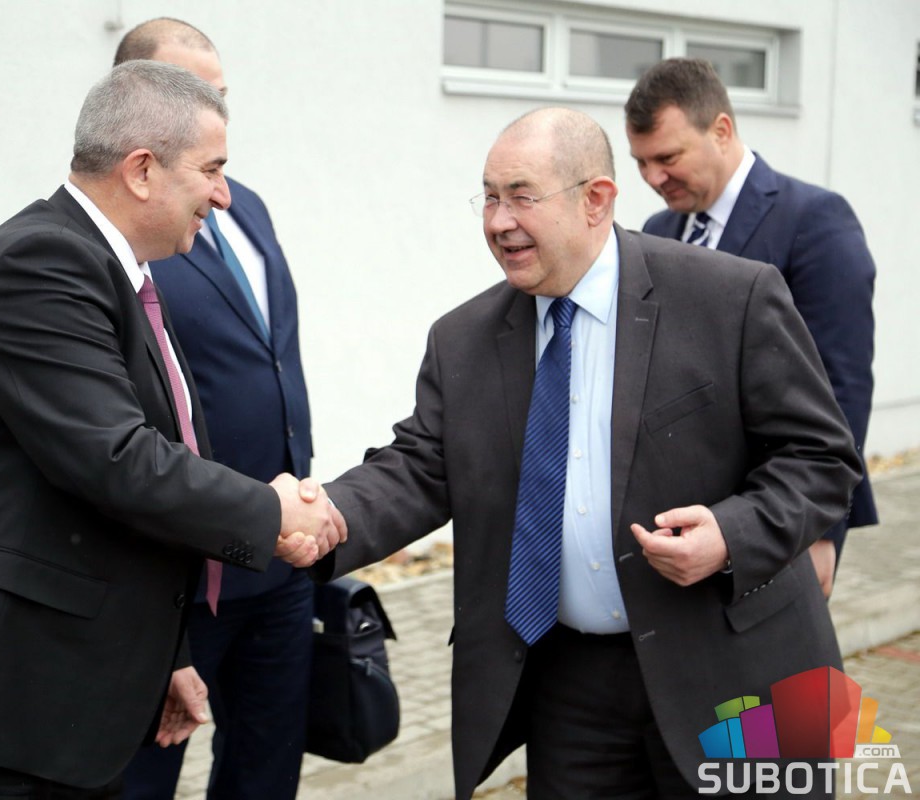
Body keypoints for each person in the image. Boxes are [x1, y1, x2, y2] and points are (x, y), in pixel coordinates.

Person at [308, 108, 861, 798]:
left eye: (521, 196)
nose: (498, 221)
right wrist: (324, 514)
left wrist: (732, 534)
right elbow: (421, 467)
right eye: (489, 197)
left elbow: (821, 457)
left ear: (596, 199)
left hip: (734, 670)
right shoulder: (463, 338)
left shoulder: (730, 297)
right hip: (571, 689)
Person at [0, 60, 343, 799]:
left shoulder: (117, 273)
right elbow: (117, 460)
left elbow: (127, 480)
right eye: (212, 170)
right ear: (141, 170)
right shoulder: (41, 262)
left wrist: (167, 653)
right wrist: (272, 513)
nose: (224, 195)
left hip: (61, 703)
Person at [112, 19, 315, 800]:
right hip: (177, 576)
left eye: (221, 95)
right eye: (194, 94)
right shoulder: (119, 236)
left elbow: (270, 354)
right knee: (141, 778)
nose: (216, 111)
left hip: (280, 556)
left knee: (266, 772)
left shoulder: (245, 205)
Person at [624, 57, 877, 597]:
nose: (652, 178)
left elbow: (843, 387)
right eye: (641, 162)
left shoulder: (815, 220)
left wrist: (820, 529)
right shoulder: (656, 230)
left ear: (721, 130)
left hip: (774, 517)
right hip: (683, 527)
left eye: (667, 158)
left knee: (783, 659)